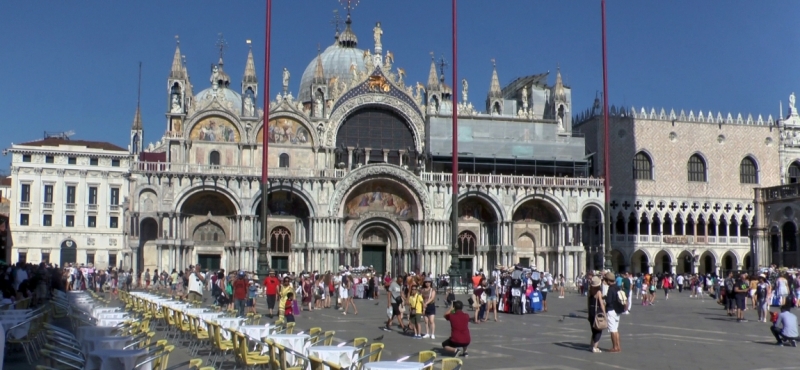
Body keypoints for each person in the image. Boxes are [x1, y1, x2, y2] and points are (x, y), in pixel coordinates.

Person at [604, 272, 624, 353]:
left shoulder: (611, 289)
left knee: (612, 330)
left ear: (609, 280)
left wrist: (605, 298)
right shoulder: (617, 287)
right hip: (617, 310)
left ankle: (615, 347)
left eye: (606, 280)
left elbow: (608, 301)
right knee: (616, 329)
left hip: (611, 310)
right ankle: (618, 346)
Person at [588, 276, 605, 353]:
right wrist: (604, 313)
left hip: (591, 311)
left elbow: (588, 302)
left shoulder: (590, 291)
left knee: (593, 330)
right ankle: (595, 347)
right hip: (597, 311)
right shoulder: (598, 292)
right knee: (598, 330)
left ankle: (591, 345)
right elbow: (601, 304)